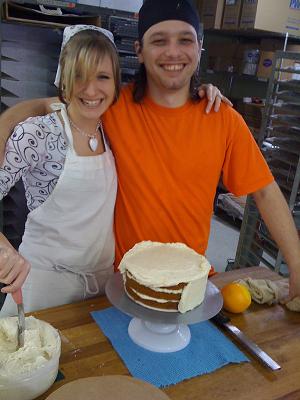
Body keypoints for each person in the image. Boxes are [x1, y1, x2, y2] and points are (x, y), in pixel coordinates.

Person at [1, 0, 299, 303]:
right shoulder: (113, 105)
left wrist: (297, 264)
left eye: (185, 40)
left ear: (199, 48)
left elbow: (264, 191)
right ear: (139, 50)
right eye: (159, 41)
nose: (173, 52)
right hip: (121, 285)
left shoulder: (223, 119)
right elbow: (56, 104)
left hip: (187, 288)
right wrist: (6, 120)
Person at [0, 27, 120, 315]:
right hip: (42, 287)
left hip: (101, 288)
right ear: (63, 82)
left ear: (116, 83)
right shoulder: (37, 134)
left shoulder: (116, 130)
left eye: (102, 77)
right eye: (79, 76)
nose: (91, 91)